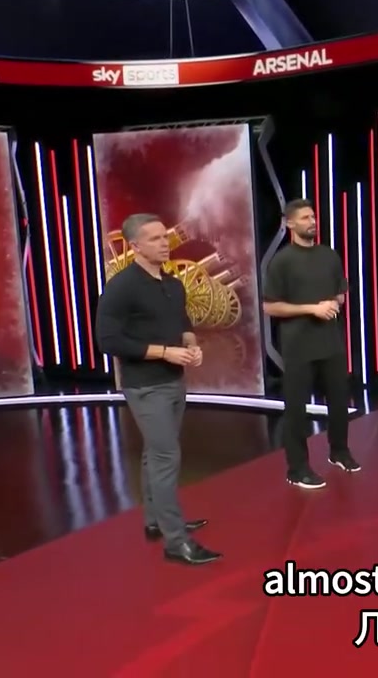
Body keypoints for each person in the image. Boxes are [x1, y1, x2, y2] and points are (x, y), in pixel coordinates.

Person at [96, 213, 221, 566]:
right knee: (166, 457)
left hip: (174, 381)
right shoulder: (121, 287)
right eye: (154, 239)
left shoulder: (172, 284)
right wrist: (164, 352)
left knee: (156, 452)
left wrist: (191, 345)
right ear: (135, 246)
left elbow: (182, 322)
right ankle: (176, 541)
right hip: (145, 386)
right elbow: (108, 340)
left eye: (164, 237)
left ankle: (155, 520)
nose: (164, 243)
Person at [262, 199, 359, 489]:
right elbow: (271, 307)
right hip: (298, 347)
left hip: (331, 343)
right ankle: (297, 469)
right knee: (296, 409)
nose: (312, 221)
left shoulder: (329, 255)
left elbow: (340, 293)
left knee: (339, 403)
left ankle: (339, 452)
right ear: (290, 223)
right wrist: (312, 309)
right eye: (305, 218)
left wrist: (334, 302)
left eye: (313, 216)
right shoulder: (282, 261)